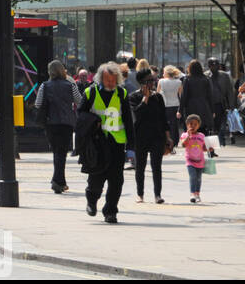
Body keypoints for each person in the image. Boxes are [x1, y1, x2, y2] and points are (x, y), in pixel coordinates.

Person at [77, 62, 135, 223]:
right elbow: (80, 113)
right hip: (96, 143)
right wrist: (93, 120)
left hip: (116, 142)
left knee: (116, 180)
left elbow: (128, 121)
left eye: (113, 80)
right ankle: (91, 200)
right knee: (96, 177)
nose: (110, 83)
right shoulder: (90, 92)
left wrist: (131, 146)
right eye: (107, 80)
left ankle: (110, 211)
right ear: (100, 78)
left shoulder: (122, 94)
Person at [36, 60, 81, 193]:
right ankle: (58, 181)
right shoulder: (70, 85)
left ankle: (58, 181)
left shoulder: (45, 85)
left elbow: (38, 104)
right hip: (66, 123)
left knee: (57, 152)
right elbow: (79, 100)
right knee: (62, 153)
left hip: (51, 122)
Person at [129, 69, 171, 204]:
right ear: (141, 83)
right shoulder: (133, 97)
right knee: (140, 167)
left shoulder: (158, 97)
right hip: (140, 137)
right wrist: (145, 98)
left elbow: (163, 118)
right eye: (149, 81)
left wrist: (168, 137)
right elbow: (135, 116)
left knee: (156, 166)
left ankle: (157, 195)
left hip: (157, 137)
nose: (152, 83)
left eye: (153, 80)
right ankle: (140, 194)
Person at [178, 59, 215, 155]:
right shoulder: (206, 79)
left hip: (191, 107)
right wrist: (212, 110)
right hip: (204, 106)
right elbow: (210, 95)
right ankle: (209, 150)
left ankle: (194, 150)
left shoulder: (187, 79)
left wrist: (180, 110)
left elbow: (184, 96)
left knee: (193, 129)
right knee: (205, 129)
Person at [206, 58, 235, 147]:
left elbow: (230, 91)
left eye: (216, 65)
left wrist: (231, 105)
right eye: (212, 65)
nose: (214, 67)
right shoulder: (205, 76)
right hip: (209, 105)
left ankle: (221, 140)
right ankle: (214, 143)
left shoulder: (225, 76)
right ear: (209, 66)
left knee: (222, 124)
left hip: (221, 104)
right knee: (212, 125)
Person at [181, 115, 208, 203]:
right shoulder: (184, 135)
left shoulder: (201, 136)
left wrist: (210, 149)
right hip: (190, 161)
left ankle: (197, 194)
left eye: (195, 124)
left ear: (199, 125)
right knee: (193, 177)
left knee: (199, 178)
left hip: (200, 161)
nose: (192, 126)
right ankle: (192, 194)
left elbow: (204, 148)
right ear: (187, 125)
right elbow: (183, 144)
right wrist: (188, 136)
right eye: (190, 124)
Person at [157, 65, 184, 153]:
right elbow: (181, 96)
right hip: (176, 105)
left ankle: (166, 143)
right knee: (174, 125)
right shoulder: (179, 82)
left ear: (167, 73)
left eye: (164, 72)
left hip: (165, 105)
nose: (163, 74)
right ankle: (174, 142)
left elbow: (158, 94)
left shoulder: (161, 81)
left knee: (165, 125)